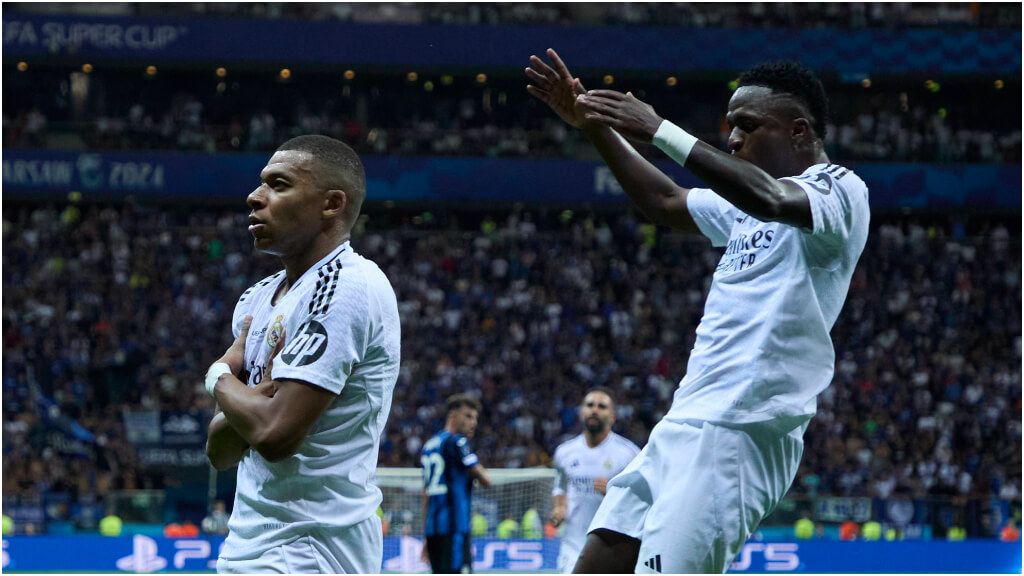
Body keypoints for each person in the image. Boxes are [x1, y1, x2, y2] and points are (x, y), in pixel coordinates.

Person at [526, 50, 869, 573]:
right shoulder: (741, 207)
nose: (733, 138)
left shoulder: (840, 190)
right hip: (682, 424)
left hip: (740, 433)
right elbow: (664, 201)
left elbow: (774, 198)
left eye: (748, 127)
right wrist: (594, 124)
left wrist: (660, 128)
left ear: (799, 132)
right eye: (730, 126)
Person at [204, 134, 401, 573]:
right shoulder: (257, 299)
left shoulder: (347, 285)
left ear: (331, 203)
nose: (255, 198)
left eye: (278, 184)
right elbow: (220, 450)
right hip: (246, 548)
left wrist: (219, 376)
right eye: (261, 183)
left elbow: (273, 436)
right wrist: (246, 404)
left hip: (310, 551)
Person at [550, 388, 640, 573]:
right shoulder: (564, 452)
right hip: (572, 544)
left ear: (613, 417)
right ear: (581, 412)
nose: (594, 410)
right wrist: (559, 507)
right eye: (589, 405)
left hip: (611, 544)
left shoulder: (629, 454)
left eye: (602, 406)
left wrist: (614, 492)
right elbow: (560, 486)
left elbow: (640, 500)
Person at [421, 394, 492, 574]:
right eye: (468, 416)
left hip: (433, 530)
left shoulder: (429, 445)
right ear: (453, 415)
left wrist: (425, 537)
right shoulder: (457, 442)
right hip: (455, 529)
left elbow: (426, 494)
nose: (473, 423)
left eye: (475, 418)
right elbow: (486, 480)